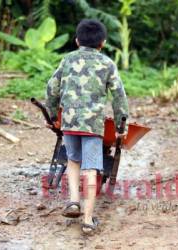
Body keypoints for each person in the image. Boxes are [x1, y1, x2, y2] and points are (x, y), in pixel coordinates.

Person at [46, 19, 129, 235]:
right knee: (91, 169)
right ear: (102, 43)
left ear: (76, 41)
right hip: (93, 124)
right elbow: (119, 95)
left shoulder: (67, 60)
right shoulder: (107, 64)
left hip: (70, 122)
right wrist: (121, 124)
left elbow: (51, 87)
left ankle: (74, 201)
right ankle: (88, 220)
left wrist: (53, 115)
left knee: (73, 160)